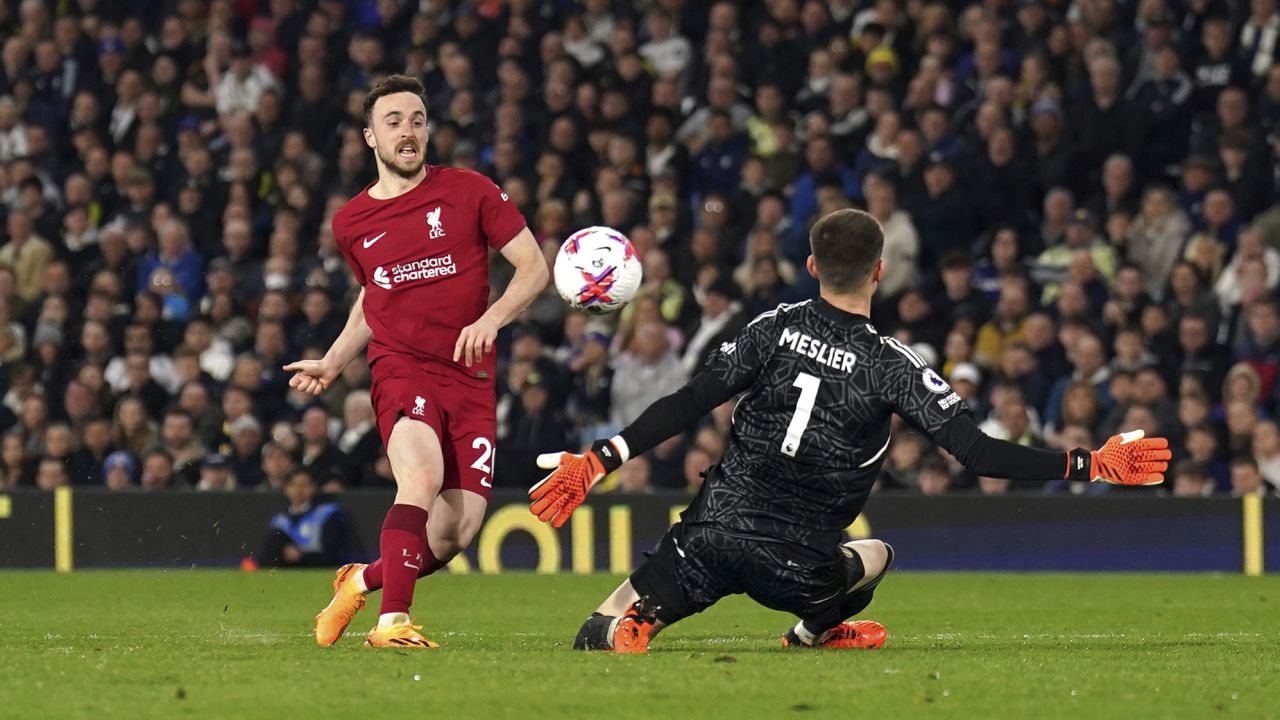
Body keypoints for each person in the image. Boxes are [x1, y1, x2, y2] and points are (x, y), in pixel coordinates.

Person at [530, 209, 1171, 654]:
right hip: (797, 564)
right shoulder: (894, 366)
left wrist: (598, 458)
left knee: (600, 625)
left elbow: (690, 400)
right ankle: (814, 631)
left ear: (811, 264)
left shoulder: (771, 327)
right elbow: (978, 453)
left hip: (712, 534)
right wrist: (1090, 463)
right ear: (880, 271)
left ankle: (632, 627)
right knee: (877, 555)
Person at [289, 75, 547, 650]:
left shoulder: (471, 190)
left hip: (471, 377)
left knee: (455, 532)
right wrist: (334, 360)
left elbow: (533, 267)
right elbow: (373, 298)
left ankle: (361, 579)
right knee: (421, 476)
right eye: (394, 122)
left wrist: (491, 320)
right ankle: (391, 624)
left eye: (416, 120)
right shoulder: (350, 222)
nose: (407, 132)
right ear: (370, 138)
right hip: (401, 367)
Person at [258, 469, 349, 568]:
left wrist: (301, 556)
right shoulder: (280, 520)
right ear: (286, 489)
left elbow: (332, 553)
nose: (298, 490)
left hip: (315, 566)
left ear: (313, 488)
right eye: (293, 485)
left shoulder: (326, 514)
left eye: (304, 485)